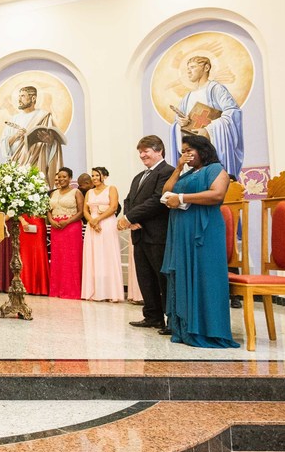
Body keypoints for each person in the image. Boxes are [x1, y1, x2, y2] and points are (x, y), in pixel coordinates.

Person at [161, 134, 240, 348]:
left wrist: (183, 198)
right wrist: (177, 169)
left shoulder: (215, 169)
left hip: (203, 231)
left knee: (205, 275)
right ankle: (184, 328)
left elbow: (216, 195)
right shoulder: (186, 174)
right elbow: (166, 192)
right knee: (181, 274)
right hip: (181, 231)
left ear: (202, 150)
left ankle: (209, 329)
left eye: (189, 150)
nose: (185, 155)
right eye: (182, 152)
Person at [119, 135, 175, 333]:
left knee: (163, 279)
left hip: (157, 234)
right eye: (140, 152)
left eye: (146, 151)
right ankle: (152, 316)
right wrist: (129, 217)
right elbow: (128, 200)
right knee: (145, 278)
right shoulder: (139, 176)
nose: (142, 155)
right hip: (139, 234)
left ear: (159, 151)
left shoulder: (167, 172)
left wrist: (130, 218)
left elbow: (157, 200)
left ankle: (171, 320)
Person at [170, 54, 244, 179]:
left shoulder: (216, 89)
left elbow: (232, 113)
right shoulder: (187, 97)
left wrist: (208, 130)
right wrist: (180, 123)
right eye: (188, 68)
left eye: (192, 67)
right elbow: (178, 123)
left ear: (206, 68)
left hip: (211, 148)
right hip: (192, 151)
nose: (188, 71)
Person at [0, 85, 66, 181]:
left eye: (22, 96)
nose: (19, 99)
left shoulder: (44, 116)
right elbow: (4, 142)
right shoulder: (14, 119)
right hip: (17, 165)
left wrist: (50, 141)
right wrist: (16, 136)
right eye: (19, 96)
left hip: (38, 164)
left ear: (33, 98)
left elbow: (55, 143)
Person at [81, 166, 124, 302]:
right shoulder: (89, 192)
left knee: (107, 255)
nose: (94, 178)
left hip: (106, 224)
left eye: (97, 175)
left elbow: (113, 207)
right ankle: (94, 291)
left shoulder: (111, 189)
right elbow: (85, 210)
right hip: (92, 225)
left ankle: (112, 293)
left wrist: (98, 219)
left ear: (104, 176)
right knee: (93, 256)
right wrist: (92, 221)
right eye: (92, 175)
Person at [47, 167, 84, 299]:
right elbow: (48, 210)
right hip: (56, 227)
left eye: (64, 177)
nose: (62, 179)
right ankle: (57, 289)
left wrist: (67, 222)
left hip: (71, 227)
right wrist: (51, 220)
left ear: (70, 178)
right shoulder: (53, 193)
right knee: (58, 258)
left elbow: (81, 212)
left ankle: (71, 290)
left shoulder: (76, 192)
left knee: (71, 258)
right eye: (60, 177)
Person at [18, 213, 50, 295]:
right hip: (24, 222)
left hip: (38, 222)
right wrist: (22, 220)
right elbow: (14, 208)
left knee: (40, 253)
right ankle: (25, 286)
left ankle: (41, 287)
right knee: (25, 254)